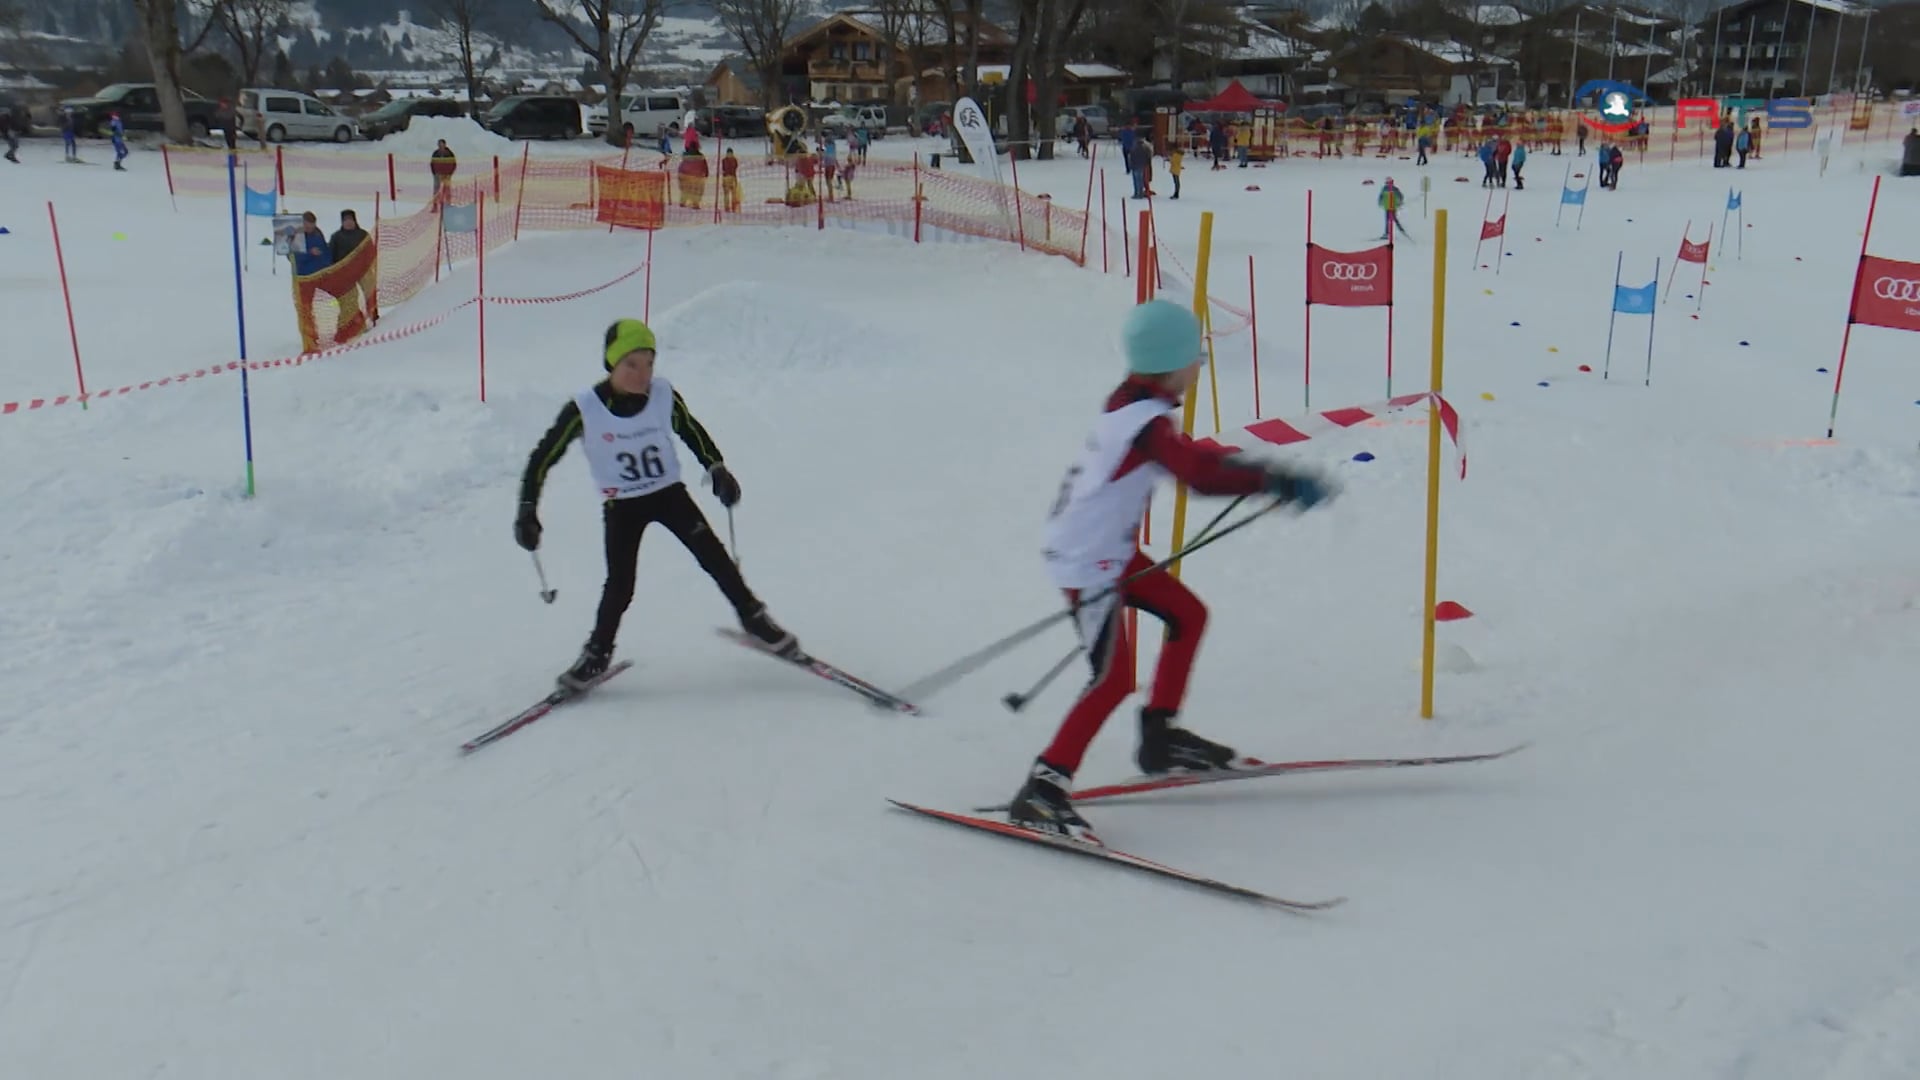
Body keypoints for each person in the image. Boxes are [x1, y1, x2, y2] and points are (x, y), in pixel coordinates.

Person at [1006, 300, 1336, 841]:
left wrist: (1252, 476)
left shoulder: (1134, 403)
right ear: (1175, 363)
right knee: (1111, 679)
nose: (1198, 369)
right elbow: (1198, 475)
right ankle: (1044, 787)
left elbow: (1184, 459)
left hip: (1106, 549)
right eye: (1195, 360)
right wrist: (1274, 481)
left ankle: (1159, 737)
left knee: (1188, 614)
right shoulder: (1146, 423)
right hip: (1087, 561)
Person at [515, 319, 800, 691]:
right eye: (631, 364)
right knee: (620, 584)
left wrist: (716, 467)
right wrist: (527, 507)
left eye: (648, 363)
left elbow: (691, 430)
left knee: (715, 558)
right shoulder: (585, 408)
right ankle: (597, 654)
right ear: (612, 364)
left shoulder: (663, 396)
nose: (642, 374)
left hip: (668, 494)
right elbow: (542, 457)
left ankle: (754, 618)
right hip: (623, 506)